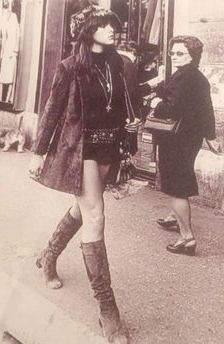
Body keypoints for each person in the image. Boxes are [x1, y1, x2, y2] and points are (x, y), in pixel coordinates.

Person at [29, 5, 140, 343]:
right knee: (95, 216)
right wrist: (37, 152)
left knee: (82, 209)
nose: (111, 30)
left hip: (109, 147)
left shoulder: (119, 64)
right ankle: (108, 309)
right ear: (88, 30)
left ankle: (49, 255)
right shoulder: (70, 67)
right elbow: (52, 110)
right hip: (82, 149)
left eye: (112, 25)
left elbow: (125, 103)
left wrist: (134, 126)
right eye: (104, 25)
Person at [149, 35, 221, 255]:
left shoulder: (182, 77)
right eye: (172, 53)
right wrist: (210, 136)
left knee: (176, 186)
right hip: (190, 138)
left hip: (176, 139)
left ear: (192, 55)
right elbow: (206, 109)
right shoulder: (197, 77)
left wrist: (155, 103)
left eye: (179, 53)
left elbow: (170, 108)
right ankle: (174, 217)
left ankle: (187, 237)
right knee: (179, 180)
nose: (174, 56)